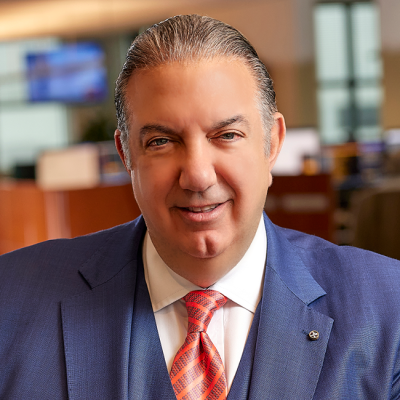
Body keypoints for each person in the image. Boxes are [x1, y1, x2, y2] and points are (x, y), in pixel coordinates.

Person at [1, 14, 400, 400]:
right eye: (161, 141)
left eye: (226, 134)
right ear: (127, 155)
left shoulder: (387, 307)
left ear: (272, 144)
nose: (197, 176)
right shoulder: (13, 299)